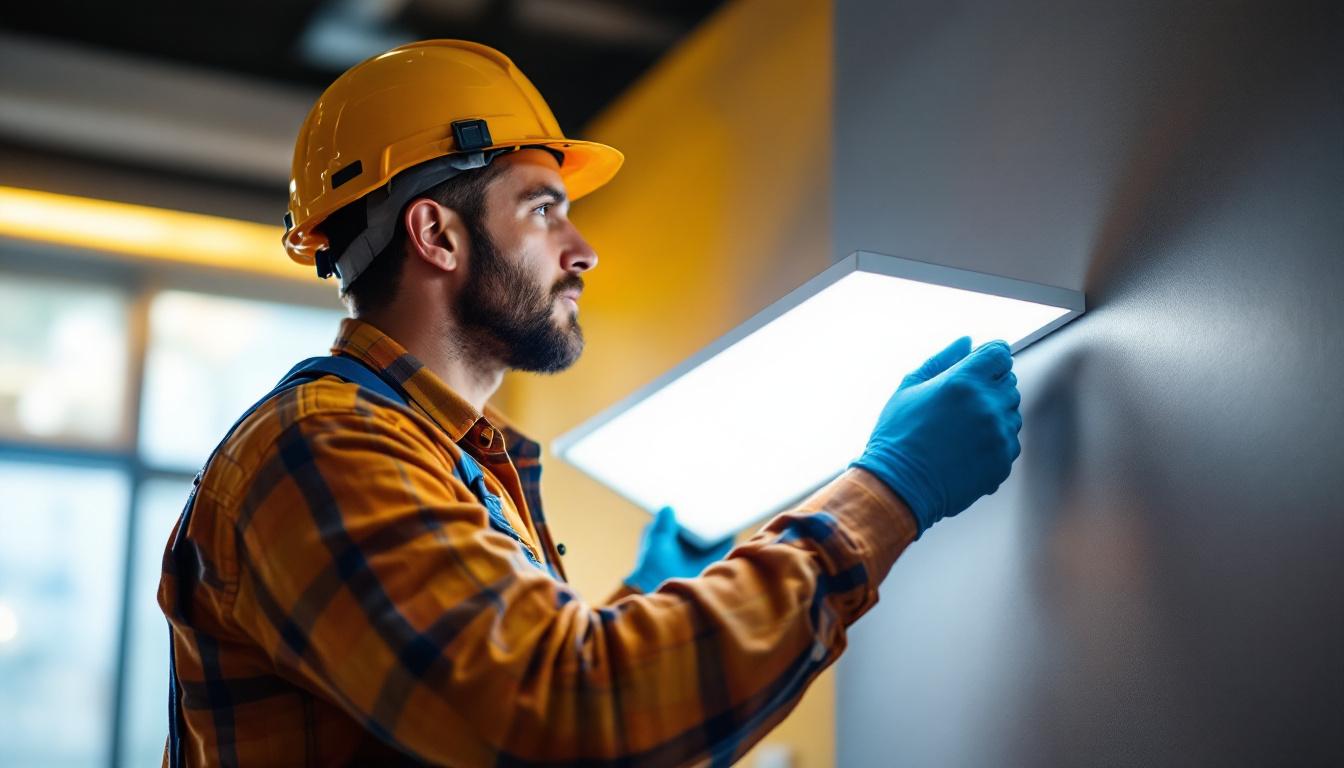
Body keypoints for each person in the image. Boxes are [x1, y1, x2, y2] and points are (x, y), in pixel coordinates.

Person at [158, 39, 1022, 766]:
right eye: (544, 209)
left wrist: (643, 600)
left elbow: (509, 690)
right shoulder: (323, 449)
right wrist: (890, 493)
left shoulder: (439, 455)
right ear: (436, 234)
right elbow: (562, 718)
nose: (584, 251)